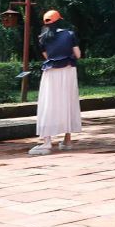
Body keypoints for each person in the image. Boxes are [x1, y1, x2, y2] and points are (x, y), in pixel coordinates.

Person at [29, 9, 82, 155]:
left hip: (51, 72)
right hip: (68, 71)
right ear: (59, 21)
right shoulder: (69, 34)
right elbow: (78, 55)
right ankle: (67, 140)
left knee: (48, 104)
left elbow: (47, 56)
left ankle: (47, 142)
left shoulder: (42, 38)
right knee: (68, 102)